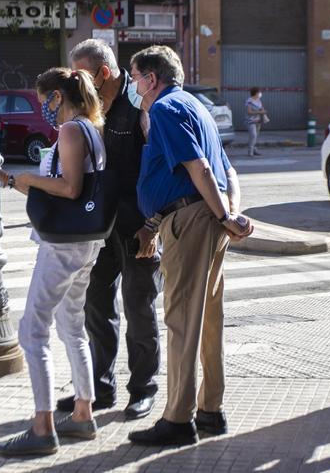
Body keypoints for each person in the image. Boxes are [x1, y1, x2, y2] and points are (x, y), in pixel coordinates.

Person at [125, 46, 254, 447]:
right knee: (208, 320)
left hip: (191, 222)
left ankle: (179, 419)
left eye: (134, 77)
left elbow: (199, 168)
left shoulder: (165, 109)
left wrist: (226, 217)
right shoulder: (195, 106)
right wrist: (229, 214)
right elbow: (227, 170)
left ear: (151, 77)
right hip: (204, 220)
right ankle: (210, 410)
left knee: (182, 322)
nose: (133, 85)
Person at [0, 68, 107, 455]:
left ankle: (42, 425)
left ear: (57, 96)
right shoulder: (91, 130)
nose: (43, 108)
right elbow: (65, 184)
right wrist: (9, 178)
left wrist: (26, 179)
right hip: (85, 242)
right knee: (72, 326)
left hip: (64, 246)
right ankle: (84, 412)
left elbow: (69, 188)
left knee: (32, 331)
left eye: (43, 100)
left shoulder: (71, 131)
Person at [54, 39, 163, 421]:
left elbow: (160, 166)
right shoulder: (90, 105)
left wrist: (153, 225)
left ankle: (143, 390)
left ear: (103, 72)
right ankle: (99, 389)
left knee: (139, 306)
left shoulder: (141, 105)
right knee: (96, 307)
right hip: (97, 227)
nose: (76, 83)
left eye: (81, 75)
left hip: (137, 226)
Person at [245, 87, 267, 157]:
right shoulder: (249, 101)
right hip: (250, 121)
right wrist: (260, 112)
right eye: (259, 92)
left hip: (258, 121)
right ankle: (250, 151)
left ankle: (254, 150)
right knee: (253, 135)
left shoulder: (259, 100)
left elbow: (261, 108)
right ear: (256, 93)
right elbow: (249, 112)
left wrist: (263, 111)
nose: (260, 94)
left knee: (255, 136)